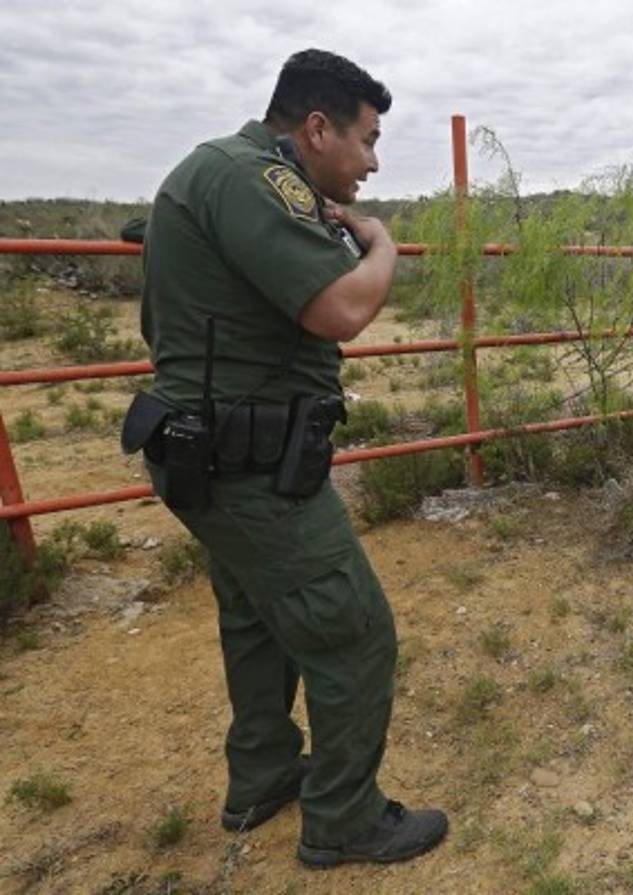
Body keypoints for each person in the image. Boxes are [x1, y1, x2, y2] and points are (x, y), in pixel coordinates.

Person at [121, 49, 447, 868]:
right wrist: (382, 250)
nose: (373, 160)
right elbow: (340, 307)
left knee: (257, 620)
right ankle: (343, 817)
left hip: (208, 453)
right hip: (249, 466)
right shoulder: (251, 179)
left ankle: (263, 774)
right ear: (315, 128)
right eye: (367, 140)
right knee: (353, 631)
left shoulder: (229, 174)